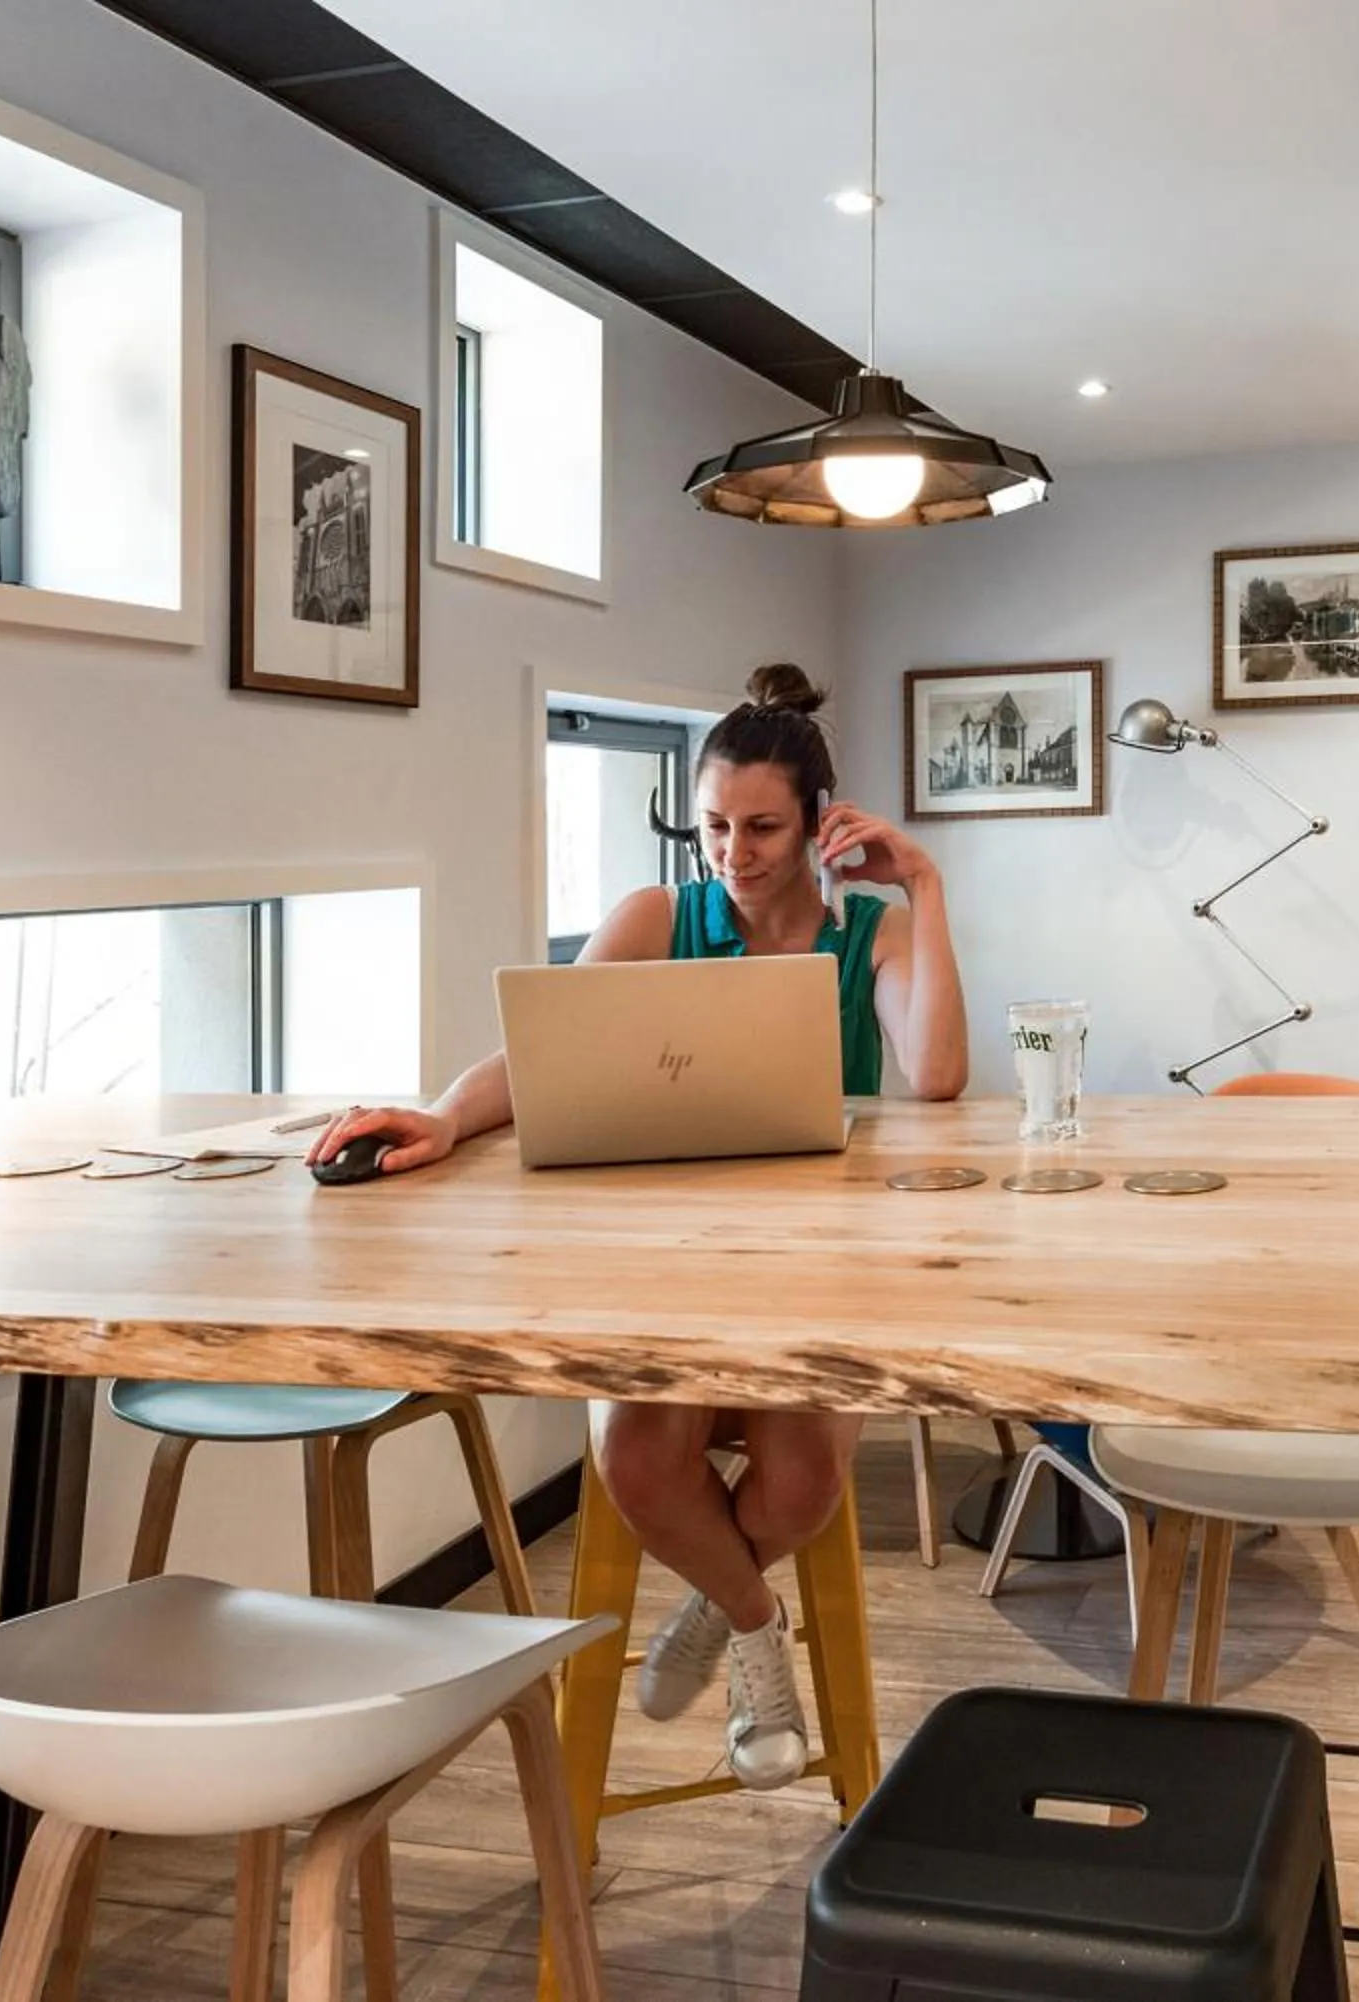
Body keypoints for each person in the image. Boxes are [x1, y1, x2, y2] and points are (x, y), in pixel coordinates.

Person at [305, 664, 969, 1788]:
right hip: (658, 1270)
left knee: (801, 1488)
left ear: (819, 822)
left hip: (814, 1274)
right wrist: (445, 1118)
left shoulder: (874, 933)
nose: (733, 849)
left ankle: (716, 1610)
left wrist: (927, 885)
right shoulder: (657, 918)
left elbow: (941, 1074)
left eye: (762, 826)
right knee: (636, 1460)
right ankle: (757, 1627)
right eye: (713, 823)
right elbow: (540, 1055)